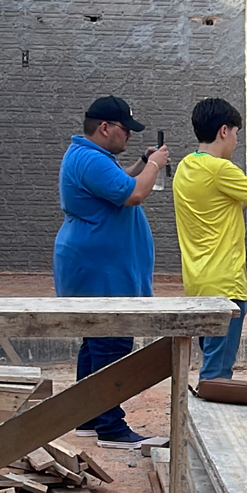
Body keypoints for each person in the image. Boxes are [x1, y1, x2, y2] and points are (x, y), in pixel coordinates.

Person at [54, 96, 169, 448]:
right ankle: (110, 426)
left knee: (95, 341)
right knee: (112, 342)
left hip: (100, 266)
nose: (128, 137)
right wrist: (156, 165)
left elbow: (118, 182)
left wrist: (142, 163)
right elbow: (133, 193)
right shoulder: (89, 158)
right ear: (104, 127)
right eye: (125, 130)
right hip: (100, 270)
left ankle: (87, 416)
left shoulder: (93, 158)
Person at [172, 98, 247, 381]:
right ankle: (211, 423)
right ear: (224, 131)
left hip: (198, 282)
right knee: (217, 374)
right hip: (225, 284)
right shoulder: (222, 169)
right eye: (236, 134)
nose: (237, 142)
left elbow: (227, 204)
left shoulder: (186, 166)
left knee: (211, 359)